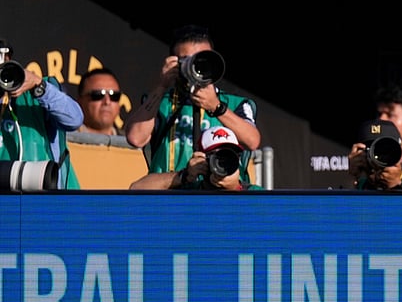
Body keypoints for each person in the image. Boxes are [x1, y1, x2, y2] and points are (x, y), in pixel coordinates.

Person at [125, 24, 261, 184]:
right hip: (169, 195)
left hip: (220, 198)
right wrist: (161, 86)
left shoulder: (234, 103)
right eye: (186, 60)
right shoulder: (160, 102)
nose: (196, 66)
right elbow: (135, 138)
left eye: (202, 59)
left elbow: (252, 141)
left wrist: (216, 107)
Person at [0, 38, 84, 189]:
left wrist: (39, 87)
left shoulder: (35, 93)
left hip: (50, 202)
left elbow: (74, 119)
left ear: (8, 61)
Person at [129, 126, 263, 191]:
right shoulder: (191, 191)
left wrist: (234, 188)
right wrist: (183, 175)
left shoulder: (254, 194)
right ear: (202, 158)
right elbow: (136, 188)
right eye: (215, 156)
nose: (222, 162)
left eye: (229, 154)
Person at [76, 67, 124, 135]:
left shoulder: (130, 143)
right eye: (98, 95)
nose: (107, 102)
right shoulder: (62, 141)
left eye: (114, 96)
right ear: (80, 101)